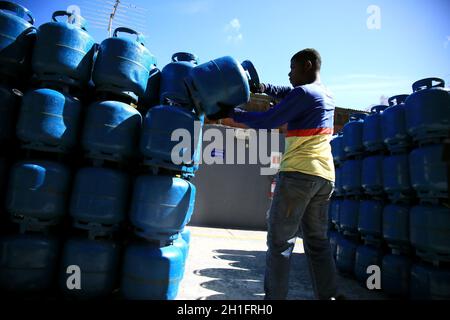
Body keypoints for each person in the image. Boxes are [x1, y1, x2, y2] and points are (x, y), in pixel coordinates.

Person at [229, 48, 340, 300]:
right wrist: (264, 86)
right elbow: (286, 93)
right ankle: (329, 295)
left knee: (281, 243)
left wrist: (232, 114)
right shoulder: (325, 93)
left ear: (308, 65)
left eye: (292, 68)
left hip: (298, 175)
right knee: (317, 243)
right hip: (324, 178)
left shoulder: (303, 93)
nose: (289, 73)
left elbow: (268, 120)